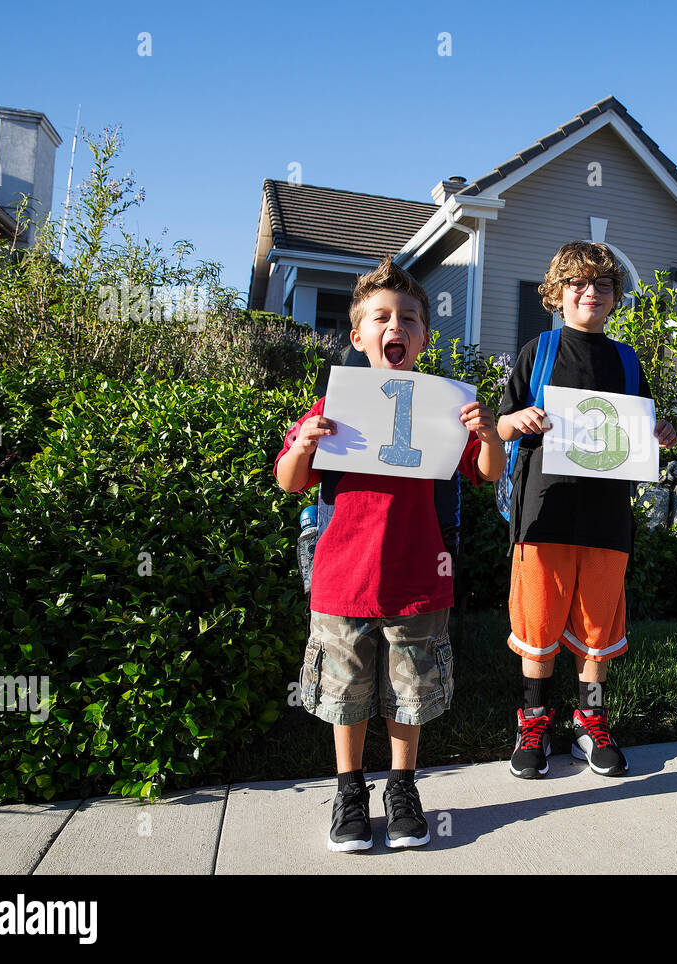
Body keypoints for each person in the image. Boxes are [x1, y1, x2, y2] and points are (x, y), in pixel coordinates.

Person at [274, 257, 504, 851]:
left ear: (424, 336)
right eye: (379, 317)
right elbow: (289, 482)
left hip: (417, 577)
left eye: (407, 319)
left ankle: (402, 786)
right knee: (345, 691)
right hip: (342, 577)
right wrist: (303, 442)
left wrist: (488, 434)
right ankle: (349, 788)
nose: (393, 326)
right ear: (358, 335)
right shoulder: (333, 409)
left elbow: (484, 474)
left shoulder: (443, 410)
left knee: (411, 688)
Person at [496, 241, 676, 779]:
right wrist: (520, 419)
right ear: (557, 293)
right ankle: (534, 722)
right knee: (538, 621)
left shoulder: (625, 359)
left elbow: (640, 431)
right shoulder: (538, 351)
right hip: (543, 513)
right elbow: (500, 426)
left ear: (616, 296)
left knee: (597, 628)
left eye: (601, 284)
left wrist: (661, 432)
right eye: (577, 283)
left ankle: (590, 721)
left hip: (605, 518)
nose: (590, 292)